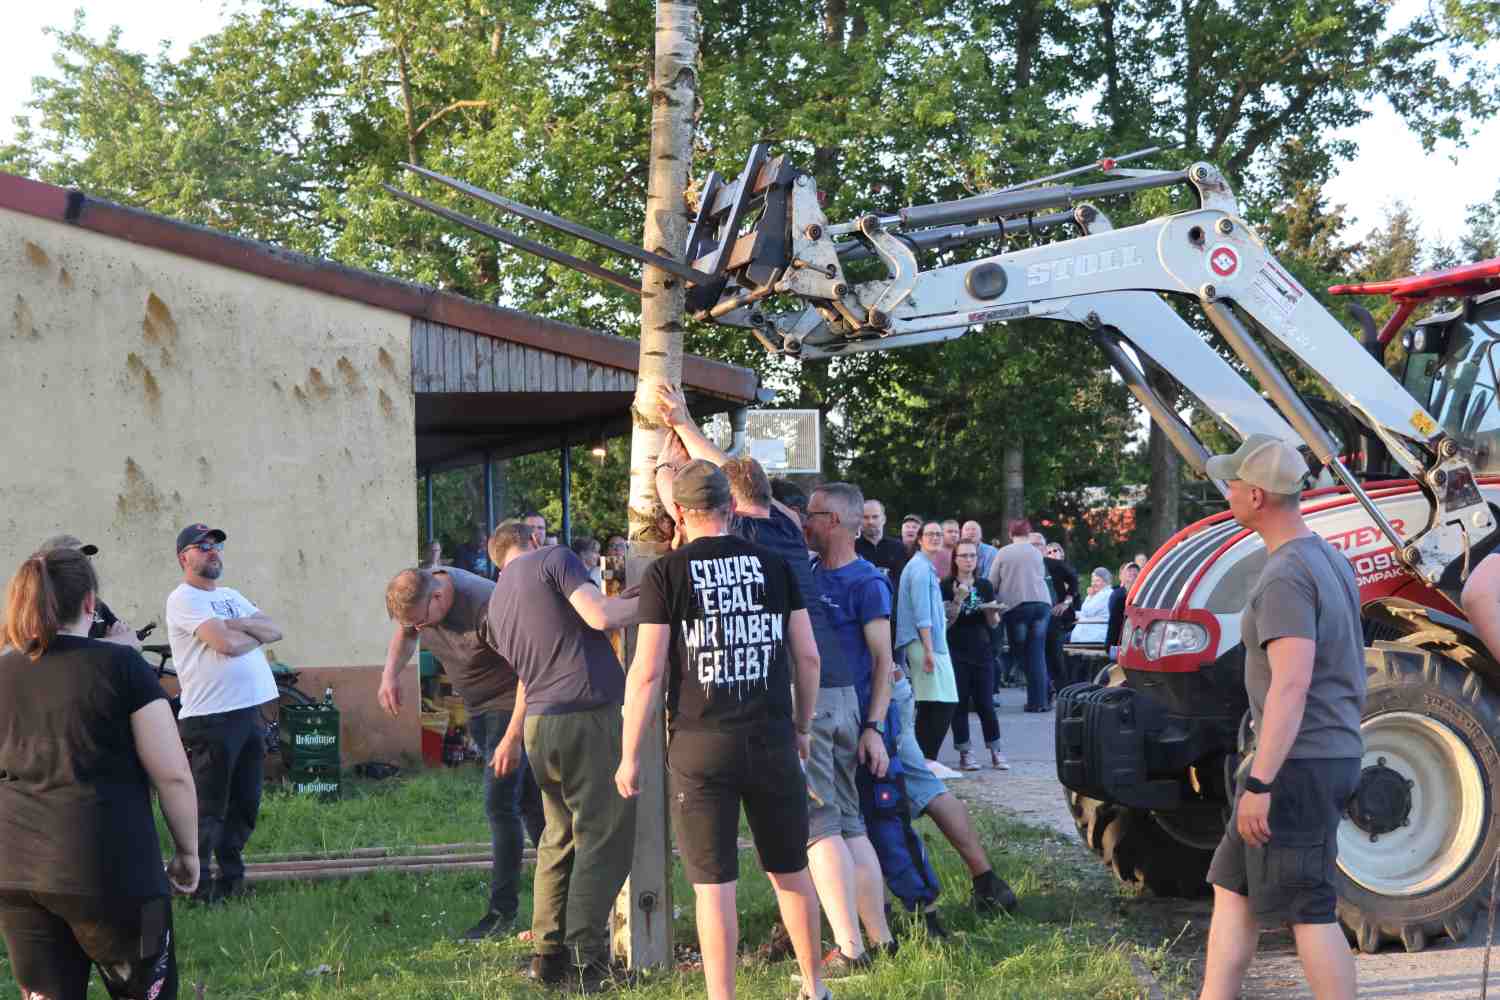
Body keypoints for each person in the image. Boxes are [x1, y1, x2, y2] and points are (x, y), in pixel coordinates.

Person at [652, 383, 893, 968]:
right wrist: (684, 425)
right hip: (840, 689)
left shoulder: (742, 539)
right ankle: (878, 936)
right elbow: (720, 477)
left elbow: (684, 490)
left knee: (817, 828)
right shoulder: (787, 525)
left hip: (797, 696)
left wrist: (670, 442)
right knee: (849, 818)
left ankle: (849, 947)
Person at [619, 460, 831, 1000]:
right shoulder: (775, 564)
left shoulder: (666, 574)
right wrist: (802, 726)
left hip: (698, 745)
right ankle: (815, 987)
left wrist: (628, 755)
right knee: (790, 867)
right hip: (771, 738)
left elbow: (646, 672)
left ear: (679, 514)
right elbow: (807, 657)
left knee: (714, 886)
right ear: (731, 508)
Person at [1197, 434, 1362, 1000]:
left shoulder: (1287, 575)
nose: (1229, 491)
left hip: (1297, 762)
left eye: (1234, 482)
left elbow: (1292, 685)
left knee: (1308, 909)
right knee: (1232, 888)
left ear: (1259, 495)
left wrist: (1262, 782)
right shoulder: (1326, 558)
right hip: (1302, 756)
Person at [0, 548, 198, 1000]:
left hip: (17, 875)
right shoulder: (122, 666)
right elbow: (173, 776)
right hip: (113, 873)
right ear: (90, 603)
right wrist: (189, 854)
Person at [816, 488, 1018, 920]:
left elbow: (893, 646)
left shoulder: (881, 574)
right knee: (914, 789)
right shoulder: (904, 570)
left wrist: (876, 720)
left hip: (880, 702)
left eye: (810, 515)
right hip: (880, 697)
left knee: (892, 801)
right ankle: (982, 882)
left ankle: (925, 906)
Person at [484, 520, 640, 990]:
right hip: (587, 713)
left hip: (540, 724)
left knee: (559, 835)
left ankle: (546, 955)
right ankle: (588, 963)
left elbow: (531, 668)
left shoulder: (496, 604)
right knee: (603, 835)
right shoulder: (553, 559)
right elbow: (600, 617)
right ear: (532, 541)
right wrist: (659, 597)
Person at [378, 566, 543, 941]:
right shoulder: (418, 597)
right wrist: (390, 675)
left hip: (512, 704)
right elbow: (404, 632)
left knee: (501, 806)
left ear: (437, 598)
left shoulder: (486, 607)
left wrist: (514, 736)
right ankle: (566, 900)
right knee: (532, 804)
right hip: (480, 706)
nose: (418, 631)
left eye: (422, 623)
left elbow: (530, 671)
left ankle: (501, 913)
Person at [165, 523, 283, 903]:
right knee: (208, 807)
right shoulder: (184, 599)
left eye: (215, 545)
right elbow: (225, 645)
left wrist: (237, 624)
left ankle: (231, 881)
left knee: (245, 803)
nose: (213, 551)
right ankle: (194, 885)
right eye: (203, 546)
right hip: (212, 718)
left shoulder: (231, 595)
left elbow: (274, 630)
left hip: (249, 714)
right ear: (185, 558)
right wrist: (246, 632)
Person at [896, 522, 959, 760]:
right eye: (930, 534)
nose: (935, 537)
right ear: (919, 539)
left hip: (930, 643)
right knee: (941, 703)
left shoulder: (924, 567)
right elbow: (922, 614)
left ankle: (924, 761)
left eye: (938, 534)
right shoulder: (920, 569)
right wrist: (929, 651)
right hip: (925, 644)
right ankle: (924, 761)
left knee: (932, 702)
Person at [943, 541, 1006, 771]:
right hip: (957, 650)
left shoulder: (985, 585)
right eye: (964, 556)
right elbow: (946, 623)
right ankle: (965, 752)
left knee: (986, 703)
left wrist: (993, 613)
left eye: (972, 556)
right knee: (959, 705)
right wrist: (958, 598)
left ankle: (996, 750)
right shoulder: (946, 585)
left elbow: (993, 623)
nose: (969, 560)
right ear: (955, 559)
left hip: (983, 650)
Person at [989, 519, 1053, 712]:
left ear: (1010, 534)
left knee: (1021, 652)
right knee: (1037, 653)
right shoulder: (1036, 552)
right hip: (1042, 604)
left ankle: (1040, 695)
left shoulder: (1004, 553)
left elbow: (992, 581)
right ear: (1029, 533)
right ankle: (1040, 700)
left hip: (1017, 606)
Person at [39, 534, 142, 648]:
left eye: (86, 559)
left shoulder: (95, 603)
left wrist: (121, 638)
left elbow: (122, 632)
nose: (86, 566)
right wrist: (118, 641)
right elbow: (66, 648)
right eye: (74, 562)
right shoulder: (43, 606)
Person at [1036, 536, 1080, 694]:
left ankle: (1063, 691)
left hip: (1057, 617)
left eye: (1038, 544)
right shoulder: (1026, 565)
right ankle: (1044, 690)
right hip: (1037, 616)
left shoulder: (1055, 565)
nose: (1052, 553)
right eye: (1050, 551)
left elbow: (1074, 580)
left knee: (1055, 654)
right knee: (1038, 655)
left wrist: (1066, 602)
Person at [856, 500, 908, 585]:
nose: (870, 522)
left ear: (884, 519)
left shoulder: (898, 547)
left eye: (875, 517)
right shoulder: (851, 548)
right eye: (865, 517)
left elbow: (903, 582)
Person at [1069, 568, 1114, 644]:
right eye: (1092, 581)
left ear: (1105, 582)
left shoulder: (1105, 594)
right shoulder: (1101, 593)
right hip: (1090, 634)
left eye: (1097, 580)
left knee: (1057, 638)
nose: (1093, 584)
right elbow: (1085, 612)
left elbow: (1087, 611)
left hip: (1093, 636)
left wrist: (1090, 596)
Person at [1105, 561, 1140, 656]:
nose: (1133, 572)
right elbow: (1116, 620)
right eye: (1129, 570)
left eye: (1135, 571)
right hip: (1117, 643)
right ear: (1122, 577)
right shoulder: (1118, 594)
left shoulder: (1142, 594)